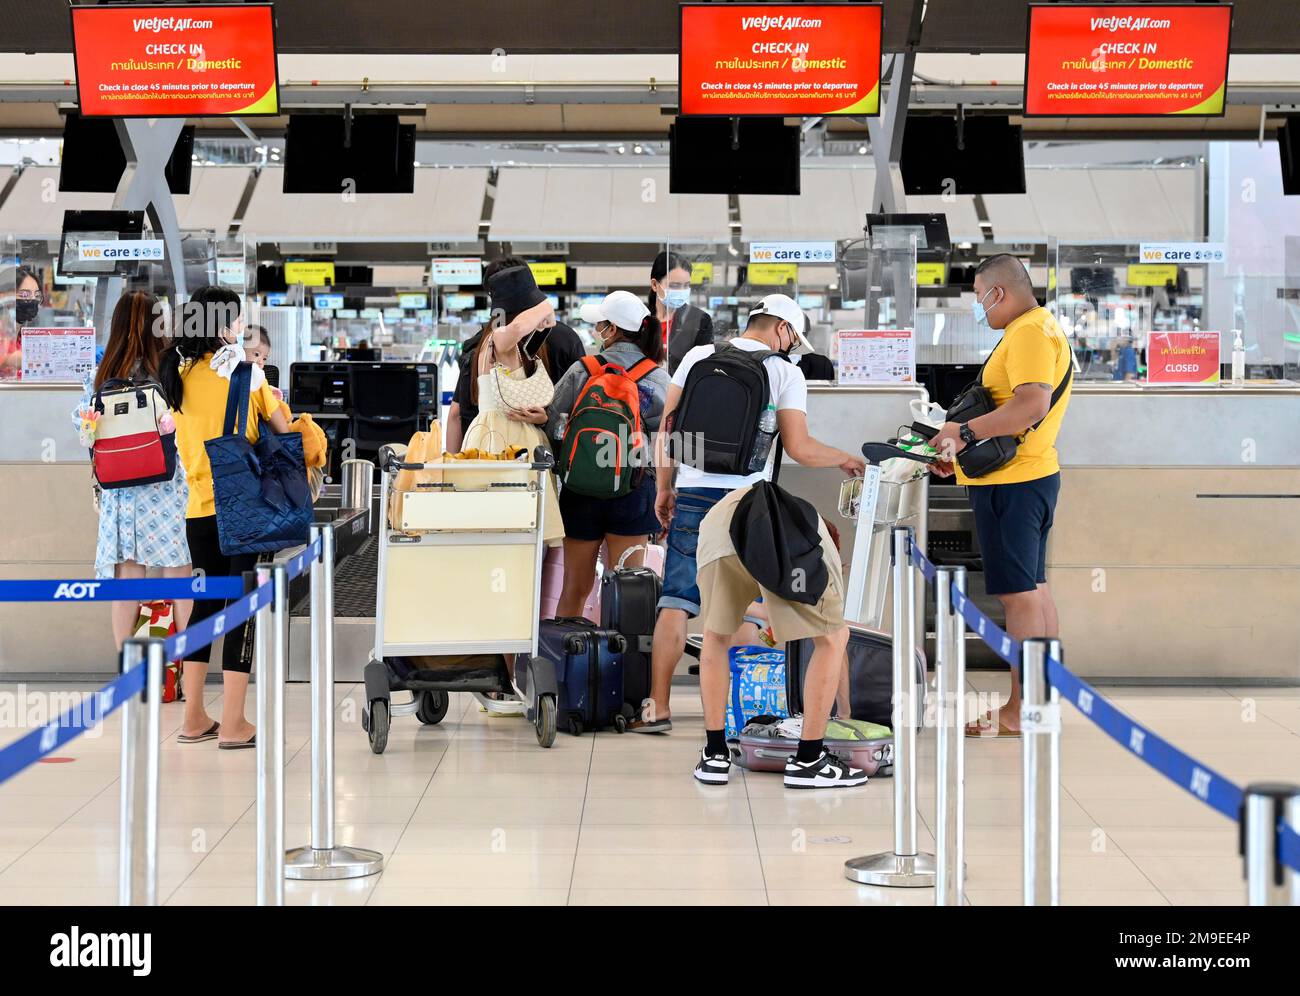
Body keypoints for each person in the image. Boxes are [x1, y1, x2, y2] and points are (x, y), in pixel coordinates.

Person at [633, 293, 866, 733]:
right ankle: (747, 711)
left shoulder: (698, 356)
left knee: (677, 602)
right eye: (793, 339)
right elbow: (799, 447)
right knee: (745, 605)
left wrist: (665, 486)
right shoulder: (783, 372)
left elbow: (666, 430)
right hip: (747, 503)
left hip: (693, 492)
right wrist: (843, 458)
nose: (790, 347)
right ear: (783, 328)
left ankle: (657, 706)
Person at [926, 254, 1073, 738]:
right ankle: (1040, 700)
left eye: (979, 298)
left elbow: (1031, 404)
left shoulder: (1030, 331)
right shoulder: (1040, 327)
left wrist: (962, 432)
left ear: (999, 292)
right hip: (1032, 477)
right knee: (1035, 590)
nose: (979, 309)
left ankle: (1021, 709)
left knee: (1018, 597)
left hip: (1012, 484)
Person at [159, 286, 293, 749]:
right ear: (223, 326)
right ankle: (234, 722)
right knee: (242, 610)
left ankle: (193, 717)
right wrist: (269, 394)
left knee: (205, 607)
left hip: (197, 510)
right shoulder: (246, 373)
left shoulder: (174, 375)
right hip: (246, 510)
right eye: (236, 323)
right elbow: (284, 429)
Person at [691, 484, 866, 787]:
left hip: (717, 527)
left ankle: (715, 755)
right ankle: (809, 761)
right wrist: (845, 712)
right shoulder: (819, 545)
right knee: (833, 639)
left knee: (716, 636)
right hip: (777, 537)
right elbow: (833, 635)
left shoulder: (793, 515)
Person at [72, 290, 192, 651]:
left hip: (120, 490)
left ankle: (127, 668)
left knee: (128, 576)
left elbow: (85, 431)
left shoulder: (101, 373)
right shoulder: (174, 367)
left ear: (116, 325)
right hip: (168, 485)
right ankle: (184, 669)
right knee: (177, 572)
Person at [546, 290, 670, 616]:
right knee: (627, 588)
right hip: (633, 490)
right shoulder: (658, 378)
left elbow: (552, 426)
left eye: (599, 324)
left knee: (574, 586)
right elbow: (668, 444)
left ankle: (572, 658)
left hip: (580, 491)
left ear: (611, 330)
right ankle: (622, 663)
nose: (596, 330)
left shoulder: (582, 370)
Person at [459, 262, 565, 546]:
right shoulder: (500, 337)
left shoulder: (503, 342)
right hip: (508, 439)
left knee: (507, 529)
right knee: (516, 525)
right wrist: (537, 298)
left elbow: (548, 320)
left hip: (497, 434)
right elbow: (542, 313)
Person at [446, 255, 585, 452]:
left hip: (491, 441)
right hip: (520, 445)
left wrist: (452, 463)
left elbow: (456, 413)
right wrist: (544, 306)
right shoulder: (499, 339)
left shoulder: (482, 342)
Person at [650, 251, 714, 375]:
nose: (681, 291)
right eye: (674, 286)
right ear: (654, 285)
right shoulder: (641, 319)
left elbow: (704, 369)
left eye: (686, 285)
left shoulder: (699, 320)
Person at [0, 265, 44, 378]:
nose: (32, 300)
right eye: (25, 294)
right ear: (5, 297)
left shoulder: (24, 340)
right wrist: (8, 360)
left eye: (37, 295)